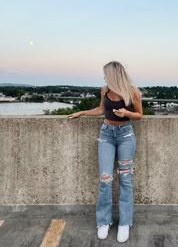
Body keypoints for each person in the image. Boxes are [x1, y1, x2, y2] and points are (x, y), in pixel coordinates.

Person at [68, 61, 143, 243]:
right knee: (105, 179)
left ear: (114, 75)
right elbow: (101, 109)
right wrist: (82, 112)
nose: (104, 77)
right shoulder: (105, 90)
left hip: (125, 136)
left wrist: (126, 113)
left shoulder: (132, 91)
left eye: (106, 74)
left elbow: (139, 114)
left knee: (125, 180)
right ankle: (104, 221)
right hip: (106, 136)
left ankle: (125, 222)